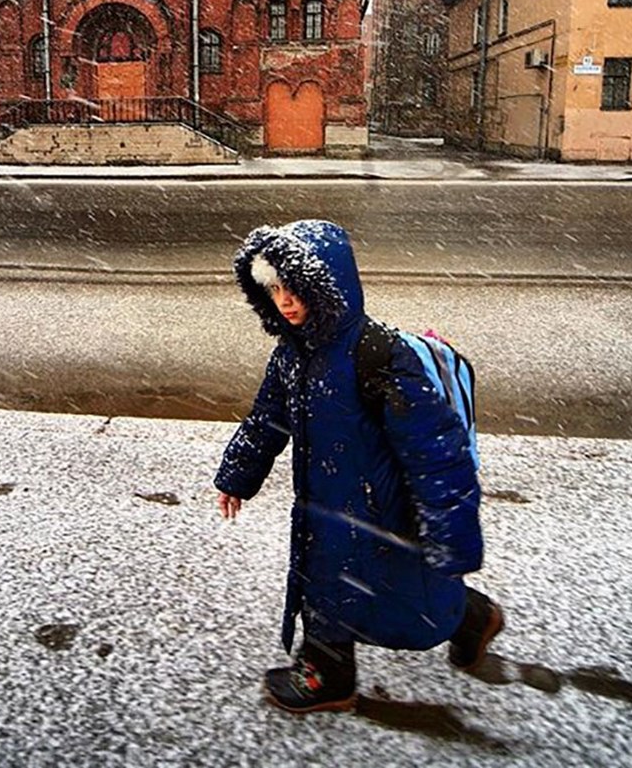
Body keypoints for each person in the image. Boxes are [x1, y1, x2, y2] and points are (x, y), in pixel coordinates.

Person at [214, 219, 503, 714]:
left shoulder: (380, 357)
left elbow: (438, 453)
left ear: (328, 287)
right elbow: (267, 419)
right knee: (326, 583)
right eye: (276, 289)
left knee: (408, 595)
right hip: (323, 503)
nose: (285, 301)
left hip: (381, 509)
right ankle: (329, 673)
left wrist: (451, 535)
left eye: (297, 289)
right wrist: (237, 473)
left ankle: (471, 617)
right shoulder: (291, 354)